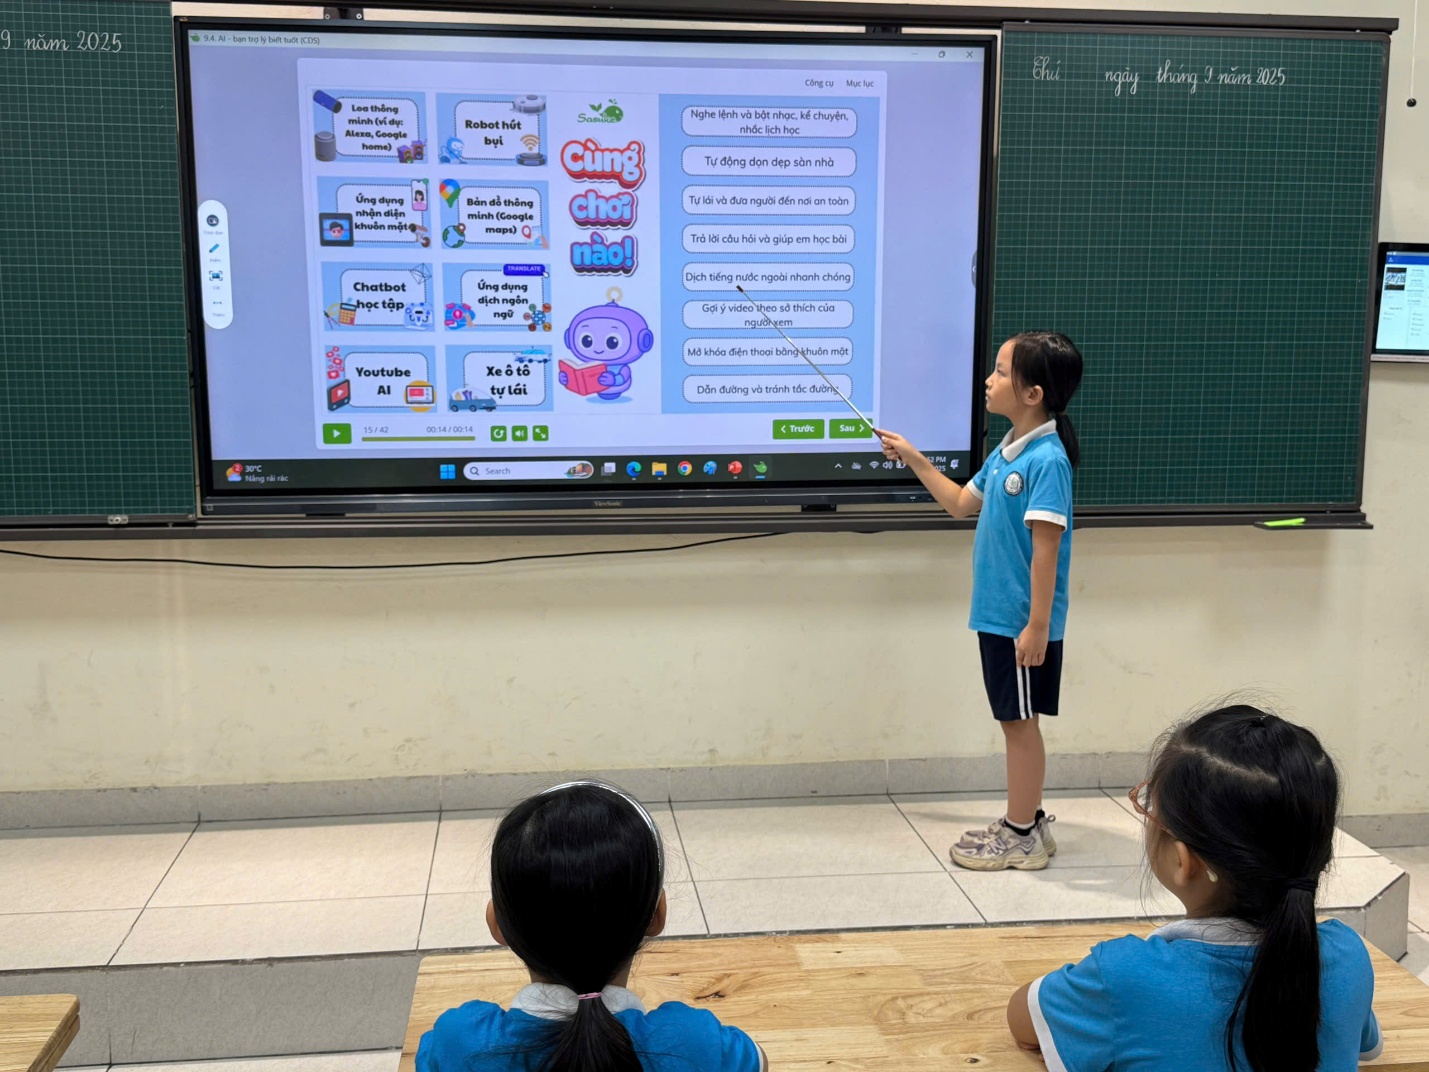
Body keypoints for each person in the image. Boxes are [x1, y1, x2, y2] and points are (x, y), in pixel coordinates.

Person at [1006, 704, 1382, 1070]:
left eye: (1150, 806)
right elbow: (1364, 1046)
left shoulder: (1122, 976)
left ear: (1183, 861)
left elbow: (1023, 1017)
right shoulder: (1347, 955)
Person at [878, 331, 1083, 870]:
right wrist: (914, 458)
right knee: (1015, 721)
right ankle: (1026, 820)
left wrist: (1037, 626)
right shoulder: (1008, 450)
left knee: (1020, 724)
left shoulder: (1047, 461)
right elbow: (959, 504)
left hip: (1020, 623)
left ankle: (1022, 834)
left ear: (1033, 393)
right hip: (997, 616)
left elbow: (1047, 551)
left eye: (1000, 371)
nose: (989, 381)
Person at [415, 781, 766, 1072]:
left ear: (497, 924)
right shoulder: (696, 1042)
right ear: (657, 916)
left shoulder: (459, 1041)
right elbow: (759, 1060)